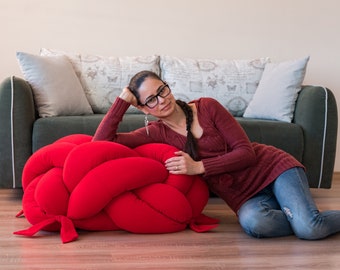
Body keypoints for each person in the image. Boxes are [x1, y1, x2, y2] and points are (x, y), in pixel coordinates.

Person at [93, 70, 340, 240]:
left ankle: (304, 219)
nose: (162, 101)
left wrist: (198, 167)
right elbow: (100, 143)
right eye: (151, 100)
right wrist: (122, 102)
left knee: (309, 230)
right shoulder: (155, 132)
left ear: (168, 86)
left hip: (274, 170)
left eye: (162, 90)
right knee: (255, 225)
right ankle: (298, 215)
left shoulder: (207, 107)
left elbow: (246, 154)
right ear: (142, 108)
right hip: (244, 196)